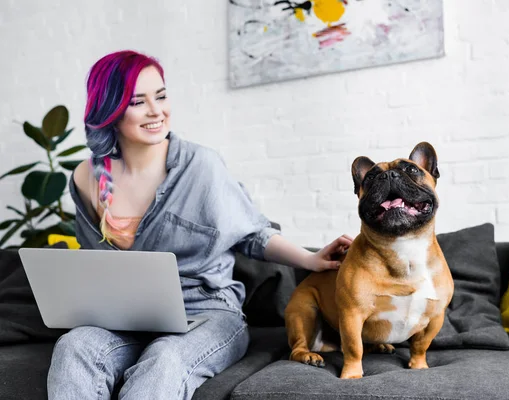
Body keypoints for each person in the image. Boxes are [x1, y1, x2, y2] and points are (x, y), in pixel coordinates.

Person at [47, 50, 353, 400]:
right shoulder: (86, 177)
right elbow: (93, 265)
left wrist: (310, 259)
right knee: (74, 346)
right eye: (138, 102)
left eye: (160, 96)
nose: (156, 111)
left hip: (207, 312)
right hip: (125, 319)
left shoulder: (201, 166)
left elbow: (252, 234)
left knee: (165, 357)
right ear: (110, 110)